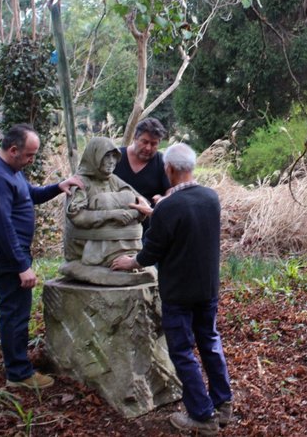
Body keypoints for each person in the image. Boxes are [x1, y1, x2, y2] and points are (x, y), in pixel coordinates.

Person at [111, 143, 232, 435]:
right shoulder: (210, 197)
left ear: (169, 169)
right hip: (207, 288)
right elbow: (185, 224)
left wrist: (131, 262)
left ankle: (202, 417)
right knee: (209, 341)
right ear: (191, 167)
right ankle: (223, 403)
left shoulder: (168, 207)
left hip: (178, 291)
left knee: (181, 351)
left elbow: (152, 250)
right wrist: (155, 211)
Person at [0, 124, 83, 389]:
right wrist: (22, 265)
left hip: (13, 254)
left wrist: (59, 186)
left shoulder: (9, 170)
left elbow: (28, 195)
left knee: (17, 312)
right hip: (6, 257)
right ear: (13, 150)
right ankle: (19, 374)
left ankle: (18, 365)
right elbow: (2, 226)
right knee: (14, 314)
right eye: (30, 155)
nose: (32, 160)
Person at [61, 137, 155, 286]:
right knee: (103, 201)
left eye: (114, 156)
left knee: (128, 197)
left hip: (120, 235)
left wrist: (132, 213)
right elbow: (77, 217)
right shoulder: (80, 183)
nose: (112, 161)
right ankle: (112, 263)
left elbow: (141, 202)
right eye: (106, 156)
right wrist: (111, 214)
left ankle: (128, 262)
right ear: (94, 156)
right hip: (85, 242)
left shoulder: (113, 179)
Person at [113, 118, 171, 232]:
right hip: (116, 226)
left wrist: (164, 199)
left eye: (154, 144)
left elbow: (172, 190)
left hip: (149, 230)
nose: (148, 148)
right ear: (135, 138)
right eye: (144, 142)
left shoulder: (162, 162)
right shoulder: (115, 158)